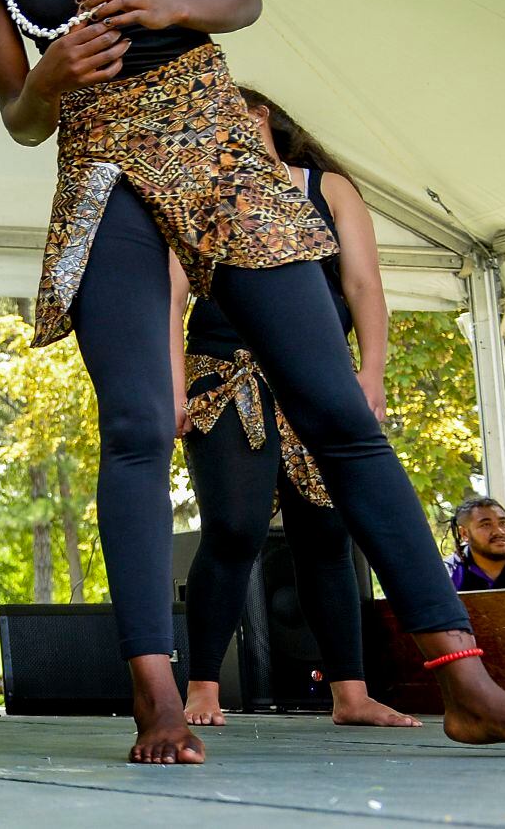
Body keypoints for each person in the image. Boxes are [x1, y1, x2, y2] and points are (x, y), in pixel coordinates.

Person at [0, 0, 505, 761]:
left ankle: (463, 680)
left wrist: (169, 5)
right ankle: (158, 696)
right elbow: (18, 113)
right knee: (140, 425)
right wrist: (48, 73)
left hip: (219, 148)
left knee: (336, 410)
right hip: (101, 171)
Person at [172, 89, 414, 729]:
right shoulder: (197, 192)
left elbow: (364, 286)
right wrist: (171, 382)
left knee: (327, 535)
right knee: (233, 526)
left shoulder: (327, 189)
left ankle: (351, 695)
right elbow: (172, 293)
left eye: (234, 114)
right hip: (227, 373)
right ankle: (201, 688)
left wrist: (371, 373)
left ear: (263, 118)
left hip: (317, 375)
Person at [448, 498, 505, 592]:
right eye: (486, 525)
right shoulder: (450, 573)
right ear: (464, 533)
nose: (499, 531)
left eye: (503, 523)